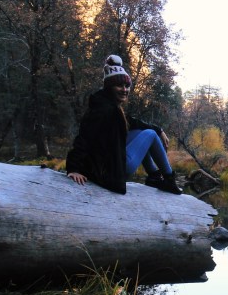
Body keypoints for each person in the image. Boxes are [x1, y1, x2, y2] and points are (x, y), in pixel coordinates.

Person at [65, 55, 182, 195]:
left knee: (141, 131)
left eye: (127, 86)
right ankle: (168, 179)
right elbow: (85, 137)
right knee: (150, 134)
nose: (124, 90)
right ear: (109, 87)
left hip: (109, 164)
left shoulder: (108, 105)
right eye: (119, 85)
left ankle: (154, 177)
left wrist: (159, 129)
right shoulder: (105, 110)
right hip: (111, 170)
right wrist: (73, 168)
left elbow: (133, 122)